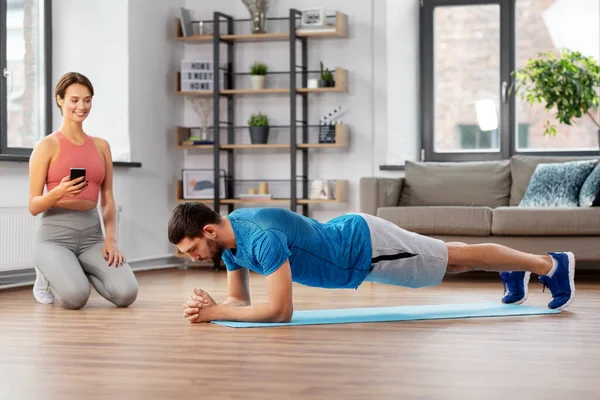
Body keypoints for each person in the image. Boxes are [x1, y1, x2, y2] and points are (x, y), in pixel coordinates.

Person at [170, 203, 575, 324]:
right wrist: (215, 306)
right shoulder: (230, 240)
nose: (193, 259)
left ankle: (550, 265)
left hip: (365, 247)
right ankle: (516, 267)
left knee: (454, 260)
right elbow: (236, 299)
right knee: (450, 257)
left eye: (191, 250)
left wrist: (216, 313)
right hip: (355, 243)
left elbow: (280, 311)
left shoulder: (260, 238)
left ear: (207, 230)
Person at [28, 72, 138, 309]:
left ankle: (75, 268)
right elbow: (33, 206)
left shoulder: (101, 146)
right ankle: (46, 277)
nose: (82, 106)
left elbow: (107, 199)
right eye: (74, 100)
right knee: (76, 298)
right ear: (60, 100)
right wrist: (58, 192)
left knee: (126, 294)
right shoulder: (46, 146)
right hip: (54, 237)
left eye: (87, 100)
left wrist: (111, 240)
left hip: (91, 236)